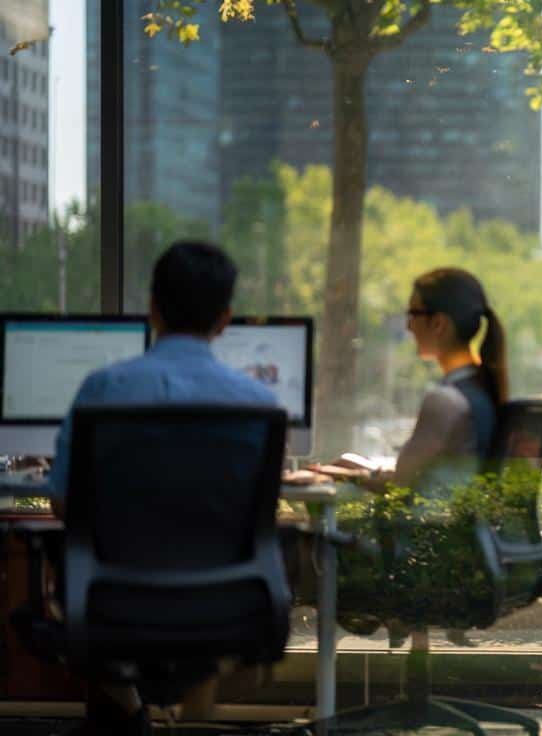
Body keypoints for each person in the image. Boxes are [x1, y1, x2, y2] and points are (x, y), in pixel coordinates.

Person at [46, 240, 278, 735]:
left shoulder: (102, 390)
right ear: (224, 319)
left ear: (152, 309)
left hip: (112, 602)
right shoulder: (259, 405)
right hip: (224, 606)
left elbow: (63, 504)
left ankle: (127, 712)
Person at [318, 267, 506, 496]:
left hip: (427, 529)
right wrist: (356, 468)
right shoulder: (482, 389)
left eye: (413, 314)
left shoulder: (445, 402)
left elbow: (398, 486)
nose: (408, 326)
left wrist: (332, 474)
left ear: (438, 324)